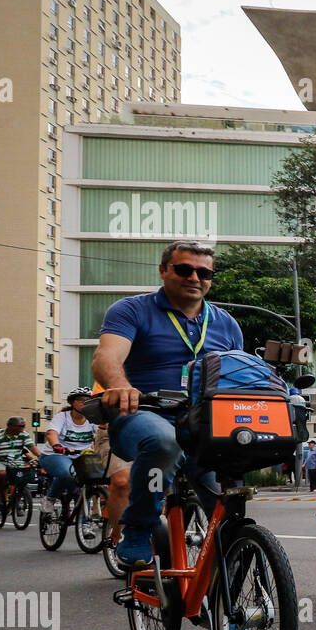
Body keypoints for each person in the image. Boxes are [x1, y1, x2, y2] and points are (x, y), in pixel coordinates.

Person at [92, 240, 244, 570]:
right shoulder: (130, 309)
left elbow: (237, 376)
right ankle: (138, 527)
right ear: (163, 270)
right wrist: (120, 386)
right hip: (144, 413)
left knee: (233, 499)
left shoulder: (226, 323)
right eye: (184, 269)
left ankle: (232, 596)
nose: (194, 277)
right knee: (165, 443)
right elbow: (105, 356)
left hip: (205, 421)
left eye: (204, 272)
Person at [40, 387, 99, 516]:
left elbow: (103, 434)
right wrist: (57, 446)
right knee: (68, 473)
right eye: (81, 400)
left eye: (88, 400)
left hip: (82, 457)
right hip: (56, 455)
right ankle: (50, 498)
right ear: (72, 402)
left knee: (93, 484)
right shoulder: (62, 417)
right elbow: (51, 433)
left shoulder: (93, 418)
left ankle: (84, 526)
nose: (85, 403)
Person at [0, 415, 40, 507]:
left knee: (26, 476)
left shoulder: (24, 434)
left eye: (24, 426)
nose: (23, 429)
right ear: (11, 426)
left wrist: (41, 456)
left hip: (16, 461)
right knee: (2, 474)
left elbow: (32, 447)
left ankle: (16, 501)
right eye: (21, 426)